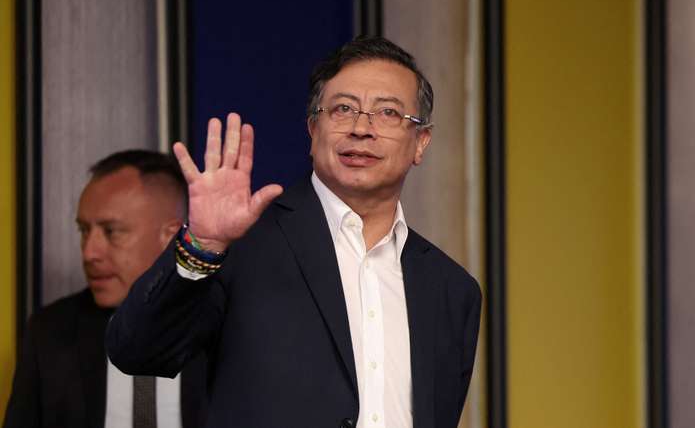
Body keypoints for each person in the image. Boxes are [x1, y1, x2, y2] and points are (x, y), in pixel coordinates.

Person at [106, 37, 482, 428]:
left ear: (420, 142)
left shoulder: (452, 290)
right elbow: (136, 352)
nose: (361, 128)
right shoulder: (241, 247)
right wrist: (202, 245)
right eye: (343, 109)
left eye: (388, 113)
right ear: (313, 128)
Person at [4, 150, 207, 428]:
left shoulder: (225, 327)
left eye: (111, 231)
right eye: (84, 231)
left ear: (170, 237)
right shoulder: (50, 332)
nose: (89, 253)